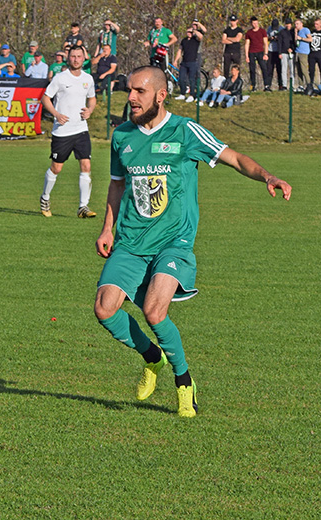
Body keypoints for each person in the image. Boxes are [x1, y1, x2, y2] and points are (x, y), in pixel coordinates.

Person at [94, 65, 292, 418]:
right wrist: (108, 229)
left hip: (174, 241)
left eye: (139, 91)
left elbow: (234, 158)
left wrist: (267, 175)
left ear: (160, 94)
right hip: (131, 241)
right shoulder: (122, 136)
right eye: (129, 91)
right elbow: (117, 185)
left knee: (155, 311)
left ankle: (184, 382)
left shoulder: (186, 131)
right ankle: (151, 358)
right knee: (104, 309)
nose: (132, 98)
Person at [39, 46, 97, 219]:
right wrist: (56, 114)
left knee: (86, 165)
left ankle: (83, 207)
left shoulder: (88, 79)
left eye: (79, 56)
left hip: (81, 129)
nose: (76, 59)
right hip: (62, 132)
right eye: (73, 56)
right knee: (56, 168)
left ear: (84, 58)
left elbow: (92, 98)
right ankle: (45, 197)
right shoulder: (60, 78)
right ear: (68, 58)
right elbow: (45, 98)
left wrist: (90, 110)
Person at [172, 25, 203, 102]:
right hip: (184, 62)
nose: (189, 33)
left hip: (193, 62)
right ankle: (182, 93)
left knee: (192, 79)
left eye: (190, 32)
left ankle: (191, 95)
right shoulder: (184, 41)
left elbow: (201, 36)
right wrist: (176, 60)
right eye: (187, 32)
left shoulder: (196, 40)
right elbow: (180, 51)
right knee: (181, 78)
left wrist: (194, 31)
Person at [244, 17, 269, 91]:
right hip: (252, 52)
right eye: (253, 23)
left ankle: (266, 85)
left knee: (264, 68)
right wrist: (246, 55)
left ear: (258, 22)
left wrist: (266, 54)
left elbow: (265, 43)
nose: (254, 25)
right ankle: (253, 86)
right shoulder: (249, 32)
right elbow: (247, 44)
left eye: (255, 23)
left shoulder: (262, 31)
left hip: (260, 52)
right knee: (252, 69)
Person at [277, 18, 295, 91]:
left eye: (289, 24)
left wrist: (292, 49)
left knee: (292, 69)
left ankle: (292, 85)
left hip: (291, 53)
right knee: (283, 69)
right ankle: (284, 85)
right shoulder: (282, 32)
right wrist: (279, 52)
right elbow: (279, 43)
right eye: (287, 24)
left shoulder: (293, 32)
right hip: (283, 53)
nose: (288, 25)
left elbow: (295, 42)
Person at [295, 19, 312, 92]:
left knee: (304, 69)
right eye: (295, 24)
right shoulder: (297, 32)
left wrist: (301, 38)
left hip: (303, 52)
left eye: (297, 24)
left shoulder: (305, 30)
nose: (296, 25)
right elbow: (295, 41)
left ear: (301, 24)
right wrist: (295, 33)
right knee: (298, 70)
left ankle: (309, 84)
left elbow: (310, 39)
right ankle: (301, 85)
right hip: (297, 52)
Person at [266, 19, 282, 90]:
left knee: (279, 69)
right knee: (269, 69)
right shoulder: (269, 28)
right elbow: (266, 38)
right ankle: (268, 85)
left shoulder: (281, 29)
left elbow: (283, 39)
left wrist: (278, 38)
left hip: (278, 51)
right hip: (271, 50)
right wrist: (271, 38)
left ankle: (281, 85)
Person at [309, 18, 321, 95]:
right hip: (312, 53)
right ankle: (311, 87)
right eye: (314, 24)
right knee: (311, 71)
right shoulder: (311, 32)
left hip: (320, 53)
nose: (315, 25)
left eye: (317, 24)